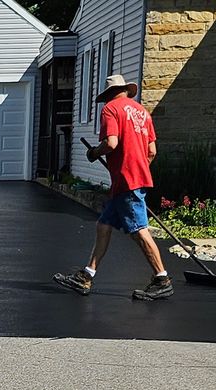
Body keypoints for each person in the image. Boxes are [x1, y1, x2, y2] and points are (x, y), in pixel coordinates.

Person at [56, 75, 172, 301]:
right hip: (134, 178)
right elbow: (152, 151)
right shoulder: (142, 112)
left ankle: (162, 279)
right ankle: (86, 275)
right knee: (104, 224)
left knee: (139, 230)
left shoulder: (111, 109)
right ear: (127, 91)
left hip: (127, 180)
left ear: (109, 94)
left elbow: (111, 143)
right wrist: (138, 167)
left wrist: (93, 153)